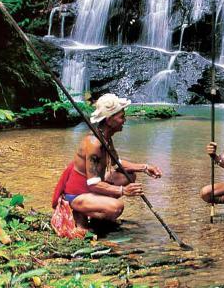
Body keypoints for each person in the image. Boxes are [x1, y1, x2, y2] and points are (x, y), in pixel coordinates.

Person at [52, 93, 162, 229]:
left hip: (90, 187)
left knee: (129, 175)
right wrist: (123, 191)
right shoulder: (94, 144)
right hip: (77, 194)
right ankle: (79, 212)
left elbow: (117, 161)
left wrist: (145, 168)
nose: (125, 120)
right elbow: (93, 184)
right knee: (117, 207)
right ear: (109, 120)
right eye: (122, 117)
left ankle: (98, 217)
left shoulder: (105, 137)